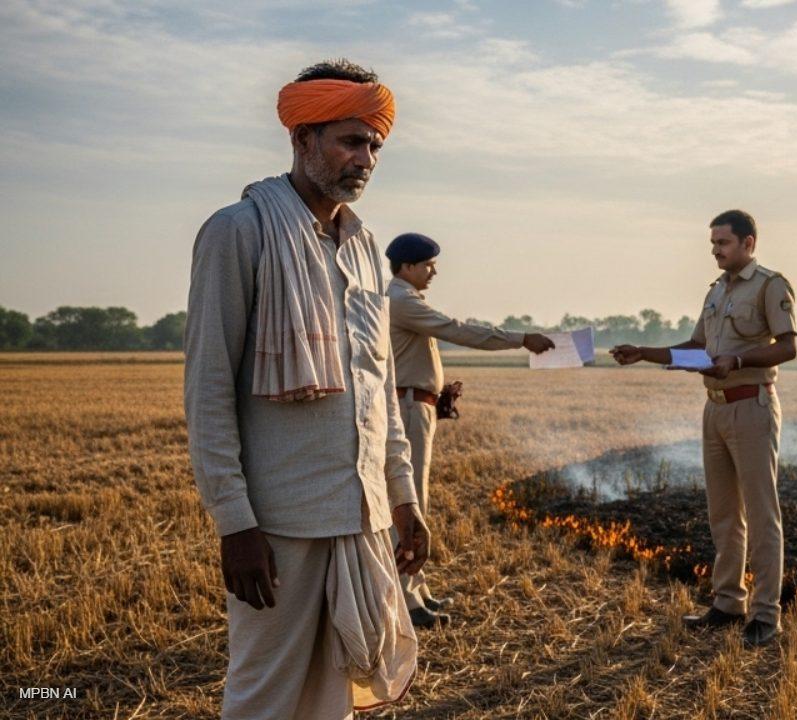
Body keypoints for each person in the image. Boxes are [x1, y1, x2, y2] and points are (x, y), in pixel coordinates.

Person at [184, 59, 427, 719]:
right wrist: (235, 524)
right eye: (351, 140)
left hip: (362, 512)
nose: (366, 157)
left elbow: (378, 388)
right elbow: (208, 391)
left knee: (334, 696)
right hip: (279, 523)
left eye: (375, 143)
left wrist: (402, 497)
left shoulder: (363, 245)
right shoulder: (237, 232)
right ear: (303, 140)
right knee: (264, 696)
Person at [610, 209, 797, 647]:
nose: (715, 250)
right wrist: (644, 352)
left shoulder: (771, 286)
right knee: (723, 513)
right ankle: (728, 603)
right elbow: (698, 348)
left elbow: (788, 346)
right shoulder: (715, 292)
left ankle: (766, 616)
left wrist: (740, 360)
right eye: (712, 244)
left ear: (749, 243)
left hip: (751, 406)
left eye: (723, 243)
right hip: (713, 409)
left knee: (762, 513)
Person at [383, 232, 555, 627]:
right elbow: (459, 330)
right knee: (409, 502)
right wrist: (520, 339)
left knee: (416, 499)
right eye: (428, 265)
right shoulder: (402, 301)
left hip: (417, 405)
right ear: (408, 267)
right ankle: (406, 601)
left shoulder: (405, 300)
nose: (434, 271)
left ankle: (416, 590)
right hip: (408, 409)